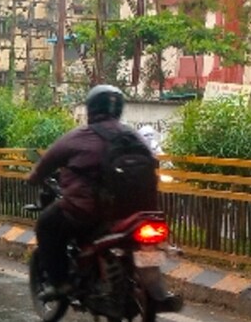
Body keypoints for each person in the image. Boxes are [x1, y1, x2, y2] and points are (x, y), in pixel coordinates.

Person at [25, 84, 155, 296]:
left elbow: (47, 162)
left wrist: (33, 178)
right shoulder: (133, 136)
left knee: (46, 225)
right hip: (134, 213)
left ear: (91, 108)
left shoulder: (79, 136)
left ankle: (60, 283)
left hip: (88, 210)